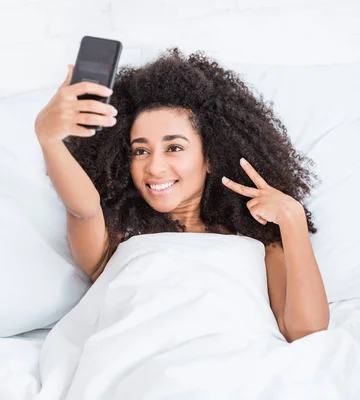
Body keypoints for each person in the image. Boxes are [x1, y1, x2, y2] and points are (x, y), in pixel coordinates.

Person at [34, 48, 329, 343]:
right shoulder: (116, 238)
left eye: (174, 147)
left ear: (210, 156)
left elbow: (306, 332)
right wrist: (49, 139)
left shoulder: (257, 238)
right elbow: (84, 209)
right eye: (140, 151)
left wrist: (293, 222)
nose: (155, 166)